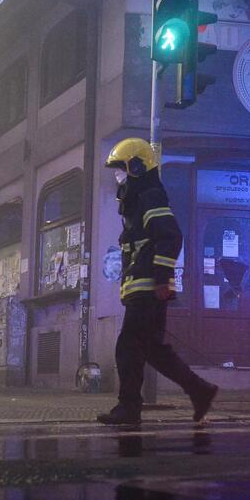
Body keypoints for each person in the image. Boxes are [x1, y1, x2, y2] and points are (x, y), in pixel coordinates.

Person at [97, 137, 219, 425]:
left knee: (128, 347)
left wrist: (162, 279)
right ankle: (200, 390)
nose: (118, 176)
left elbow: (170, 236)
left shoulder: (150, 195)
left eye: (122, 169)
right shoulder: (137, 200)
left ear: (138, 167)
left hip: (149, 287)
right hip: (143, 287)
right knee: (152, 349)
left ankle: (129, 407)